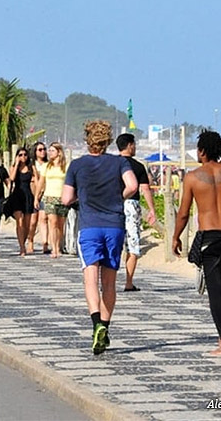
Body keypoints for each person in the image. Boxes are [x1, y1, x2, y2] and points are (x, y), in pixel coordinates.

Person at [61, 120, 137, 355]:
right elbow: (132, 186)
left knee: (90, 278)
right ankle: (105, 325)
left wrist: (81, 199)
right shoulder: (120, 162)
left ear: (87, 139)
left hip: (90, 225)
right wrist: (117, 197)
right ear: (107, 140)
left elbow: (65, 199)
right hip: (114, 225)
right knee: (109, 282)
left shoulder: (77, 165)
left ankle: (96, 325)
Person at [172, 131, 221, 356]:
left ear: (202, 151)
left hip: (210, 237)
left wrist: (176, 236)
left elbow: (184, 213)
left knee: (215, 289)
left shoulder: (193, 177)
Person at [116, 133, 157, 291]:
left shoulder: (112, 163)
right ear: (129, 145)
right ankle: (128, 282)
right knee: (132, 244)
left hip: (113, 204)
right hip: (131, 204)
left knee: (112, 243)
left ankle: (105, 281)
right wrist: (152, 209)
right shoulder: (138, 166)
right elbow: (145, 189)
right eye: (134, 144)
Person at [34, 142, 70, 258]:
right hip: (49, 197)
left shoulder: (66, 166)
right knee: (52, 222)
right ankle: (54, 248)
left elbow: (70, 182)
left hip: (62, 198)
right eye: (49, 151)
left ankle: (58, 246)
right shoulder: (46, 166)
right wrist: (37, 197)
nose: (49, 153)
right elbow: (41, 182)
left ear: (59, 152)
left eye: (52, 150)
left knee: (60, 224)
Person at [5, 147, 38, 257]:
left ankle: (23, 242)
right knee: (19, 221)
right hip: (17, 195)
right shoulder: (14, 167)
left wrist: (37, 197)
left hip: (28, 195)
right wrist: (16, 164)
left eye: (25, 154)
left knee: (27, 224)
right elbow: (12, 178)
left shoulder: (31, 167)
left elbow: (37, 182)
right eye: (20, 155)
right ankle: (22, 247)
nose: (23, 157)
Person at [28, 141, 50, 254]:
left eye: (44, 149)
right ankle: (30, 240)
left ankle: (45, 243)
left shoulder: (48, 164)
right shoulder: (32, 165)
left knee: (43, 219)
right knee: (33, 220)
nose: (43, 152)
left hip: (46, 194)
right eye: (40, 150)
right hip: (33, 194)